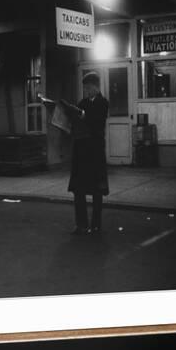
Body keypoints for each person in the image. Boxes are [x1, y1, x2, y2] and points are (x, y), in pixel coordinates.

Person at [66, 71, 109, 235]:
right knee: (79, 190)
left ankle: (96, 224)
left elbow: (98, 123)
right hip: (81, 151)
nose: (86, 91)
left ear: (96, 87)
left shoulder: (103, 102)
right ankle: (81, 224)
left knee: (97, 191)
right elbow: (75, 123)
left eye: (89, 88)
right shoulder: (81, 103)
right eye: (84, 88)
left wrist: (84, 115)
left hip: (95, 152)